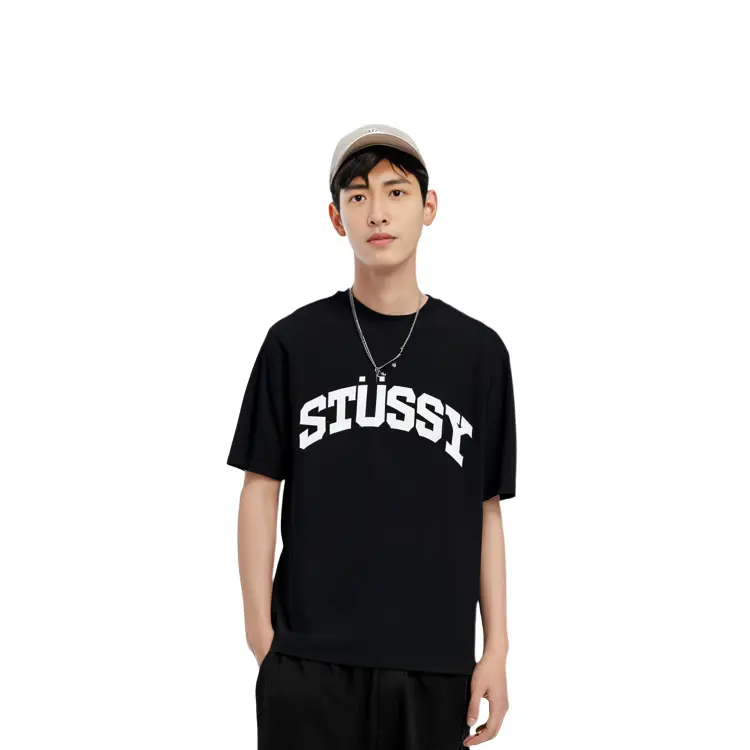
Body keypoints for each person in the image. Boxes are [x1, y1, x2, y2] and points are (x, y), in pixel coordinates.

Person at [227, 123, 517, 749]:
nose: (377, 212)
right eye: (358, 196)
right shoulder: (293, 343)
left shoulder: (478, 354)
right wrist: (262, 638)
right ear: (337, 218)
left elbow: (487, 506)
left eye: (396, 191)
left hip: (435, 664)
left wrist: (495, 648)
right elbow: (260, 486)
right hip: (309, 662)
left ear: (428, 207)